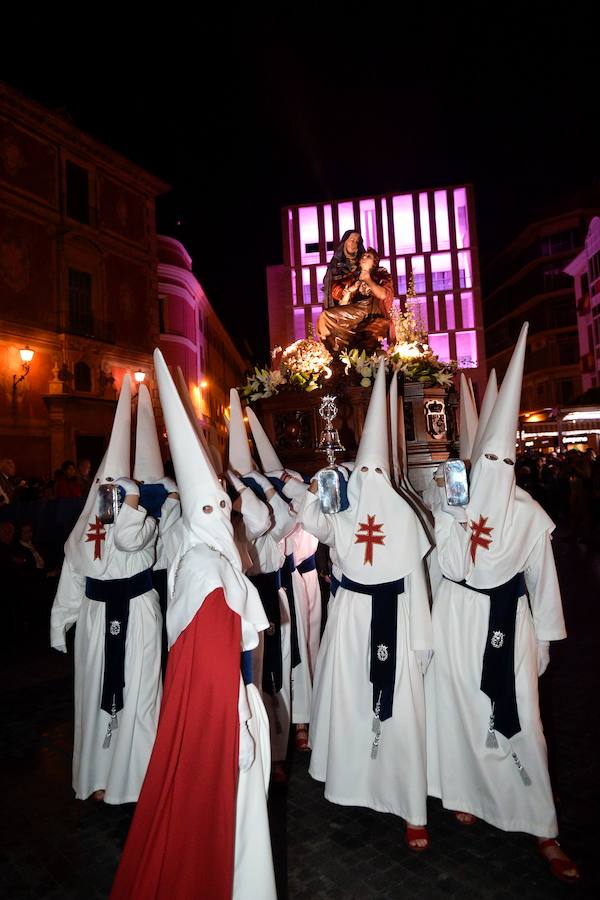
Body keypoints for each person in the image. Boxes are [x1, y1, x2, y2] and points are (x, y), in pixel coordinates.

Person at [111, 349, 276, 900]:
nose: (229, 517)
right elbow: (215, 673)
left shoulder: (203, 560)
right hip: (223, 722)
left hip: (217, 710)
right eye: (223, 510)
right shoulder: (209, 573)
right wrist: (244, 730)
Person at [426, 324, 580, 884]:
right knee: (463, 710)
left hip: (506, 623)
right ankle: (467, 792)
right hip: (458, 614)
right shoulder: (456, 503)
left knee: (523, 722)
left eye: (502, 467)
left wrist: (542, 640)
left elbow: (544, 582)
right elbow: (450, 567)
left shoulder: (531, 515)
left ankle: (541, 824)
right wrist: (450, 514)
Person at [299, 359, 434, 851]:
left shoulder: (402, 513)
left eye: (378, 471)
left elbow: (416, 584)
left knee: (399, 712)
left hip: (393, 618)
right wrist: (320, 487)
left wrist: (420, 644)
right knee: (353, 702)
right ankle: (352, 782)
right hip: (351, 617)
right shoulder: (345, 506)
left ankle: (409, 808)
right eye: (366, 470)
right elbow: (314, 524)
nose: (372, 478)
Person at [50, 376, 167, 805]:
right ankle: (99, 775)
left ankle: (138, 777)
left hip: (137, 612)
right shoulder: (84, 531)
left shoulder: (145, 524)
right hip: (97, 619)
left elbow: (130, 540)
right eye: (107, 495)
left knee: (139, 693)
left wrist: (132, 506)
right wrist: (61, 621)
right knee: (95, 691)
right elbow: (72, 576)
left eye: (120, 496)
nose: (111, 503)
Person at [317, 248, 394, 353]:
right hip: (355, 311)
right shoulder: (354, 277)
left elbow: (383, 294)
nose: (364, 258)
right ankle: (330, 350)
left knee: (366, 344)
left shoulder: (380, 274)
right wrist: (349, 290)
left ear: (374, 263)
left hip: (370, 311)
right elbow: (343, 304)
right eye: (363, 256)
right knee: (325, 316)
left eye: (368, 257)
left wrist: (368, 279)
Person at [322, 230, 365, 310]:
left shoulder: (363, 262)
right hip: (341, 303)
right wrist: (344, 292)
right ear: (345, 242)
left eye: (356, 242)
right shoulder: (335, 263)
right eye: (351, 240)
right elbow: (331, 285)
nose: (354, 244)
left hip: (360, 302)